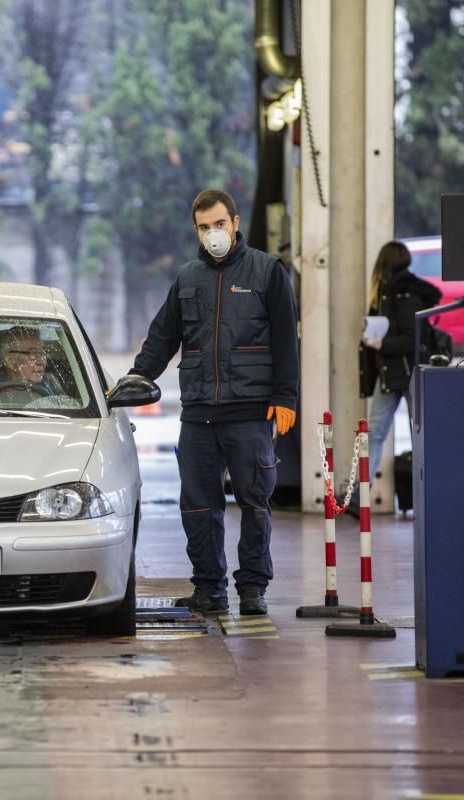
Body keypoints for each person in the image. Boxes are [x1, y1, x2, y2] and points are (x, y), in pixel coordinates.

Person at [113, 189, 299, 616]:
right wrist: (137, 378)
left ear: (235, 223)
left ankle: (253, 588)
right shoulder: (187, 278)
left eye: (218, 224)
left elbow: (288, 340)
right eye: (203, 227)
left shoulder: (268, 272)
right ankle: (209, 589)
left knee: (254, 504)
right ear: (195, 231)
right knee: (198, 507)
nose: (212, 233)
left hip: (250, 413)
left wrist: (285, 396)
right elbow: (162, 338)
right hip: (198, 415)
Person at [362, 240, 441, 483]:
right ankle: (360, 493)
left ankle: (424, 491)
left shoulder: (405, 294)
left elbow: (411, 339)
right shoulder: (389, 291)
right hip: (393, 372)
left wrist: (383, 345)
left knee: (405, 433)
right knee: (383, 431)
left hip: (407, 372)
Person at [0, 326, 60, 400]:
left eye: (43, 352)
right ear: (10, 361)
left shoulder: (51, 383)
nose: (42, 361)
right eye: (33, 353)